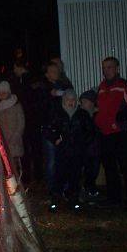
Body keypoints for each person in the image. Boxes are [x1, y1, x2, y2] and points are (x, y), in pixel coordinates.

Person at [95, 57, 127, 210]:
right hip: (105, 133)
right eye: (104, 67)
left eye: (109, 67)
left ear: (117, 68)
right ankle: (114, 198)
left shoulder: (124, 85)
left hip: (120, 133)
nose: (106, 70)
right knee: (109, 167)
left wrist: (120, 117)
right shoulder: (101, 87)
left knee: (126, 166)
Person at [45, 90, 94, 211]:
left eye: (73, 100)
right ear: (64, 100)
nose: (71, 102)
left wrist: (83, 143)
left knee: (75, 177)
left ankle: (74, 200)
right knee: (59, 176)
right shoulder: (57, 113)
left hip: (77, 152)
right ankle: (55, 200)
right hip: (62, 151)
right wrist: (55, 138)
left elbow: (90, 131)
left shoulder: (82, 114)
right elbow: (47, 129)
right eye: (68, 99)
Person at [38, 61, 73, 196]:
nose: (56, 73)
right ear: (47, 74)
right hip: (49, 130)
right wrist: (49, 95)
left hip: (63, 128)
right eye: (52, 71)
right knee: (51, 161)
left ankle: (66, 189)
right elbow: (41, 109)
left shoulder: (64, 85)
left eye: (57, 70)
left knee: (64, 159)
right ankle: (53, 191)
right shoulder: (43, 88)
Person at [7, 59, 43, 183]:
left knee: (29, 149)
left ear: (19, 67)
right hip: (33, 120)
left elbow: (24, 100)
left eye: (15, 68)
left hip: (30, 120)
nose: (14, 71)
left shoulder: (26, 82)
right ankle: (36, 176)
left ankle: (30, 176)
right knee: (33, 149)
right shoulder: (32, 80)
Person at [0, 81, 25, 178]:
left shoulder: (16, 105)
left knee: (14, 167)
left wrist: (16, 136)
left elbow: (21, 123)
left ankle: (17, 187)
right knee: (3, 166)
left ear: (8, 92)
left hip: (14, 141)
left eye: (3, 92)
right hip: (1, 141)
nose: (1, 95)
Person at [79, 90, 101, 200]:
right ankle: (86, 189)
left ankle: (90, 189)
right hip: (85, 149)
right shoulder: (81, 116)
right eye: (81, 101)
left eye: (84, 101)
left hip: (96, 148)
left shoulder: (98, 116)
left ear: (92, 102)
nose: (82, 104)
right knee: (87, 170)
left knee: (94, 170)